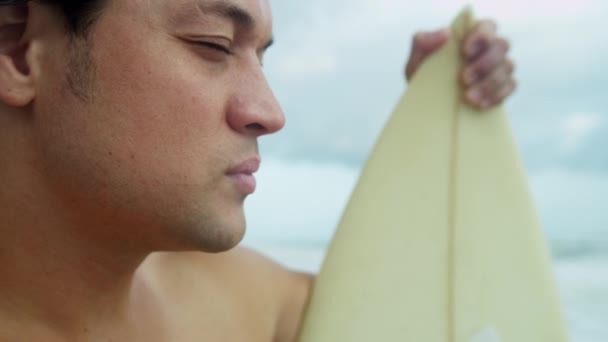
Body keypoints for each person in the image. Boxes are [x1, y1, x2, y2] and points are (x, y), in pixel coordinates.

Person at [0, 0, 515, 341]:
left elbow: (406, 312)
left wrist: (431, 122)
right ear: (19, 51)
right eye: (213, 45)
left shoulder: (232, 305)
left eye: (261, 58)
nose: (270, 112)